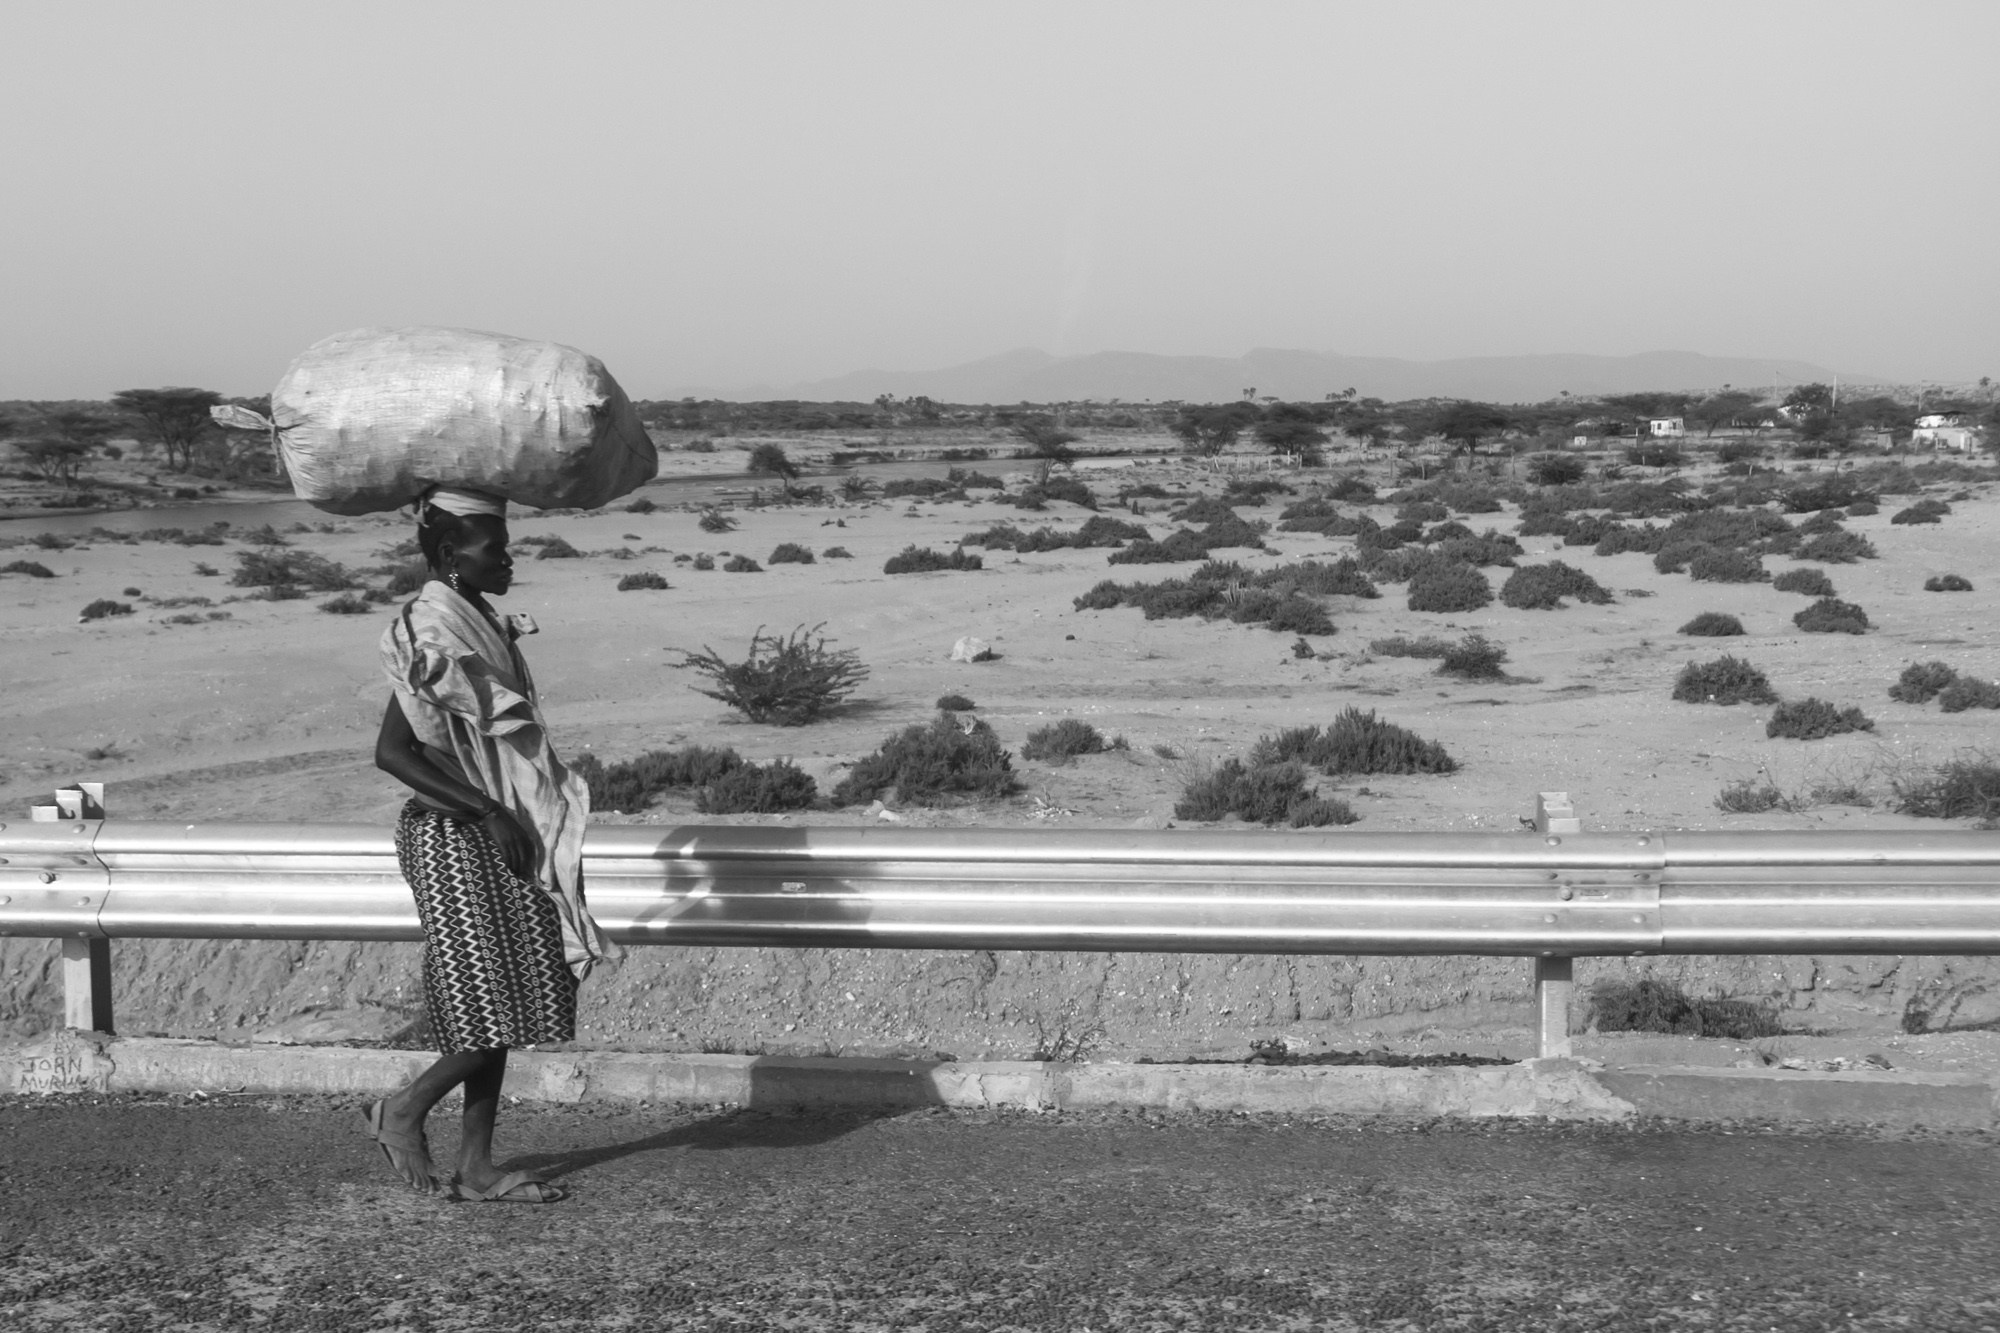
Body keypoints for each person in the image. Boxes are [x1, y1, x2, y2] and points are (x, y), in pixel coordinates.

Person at [361, 485, 618, 1203]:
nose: (508, 560)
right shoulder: (432, 629)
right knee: (488, 1009)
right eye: (494, 547)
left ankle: (476, 1166)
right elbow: (393, 751)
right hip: (452, 831)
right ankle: (402, 1110)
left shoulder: (473, 618)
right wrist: (484, 808)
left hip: (494, 826)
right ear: (449, 554)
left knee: (512, 1004)